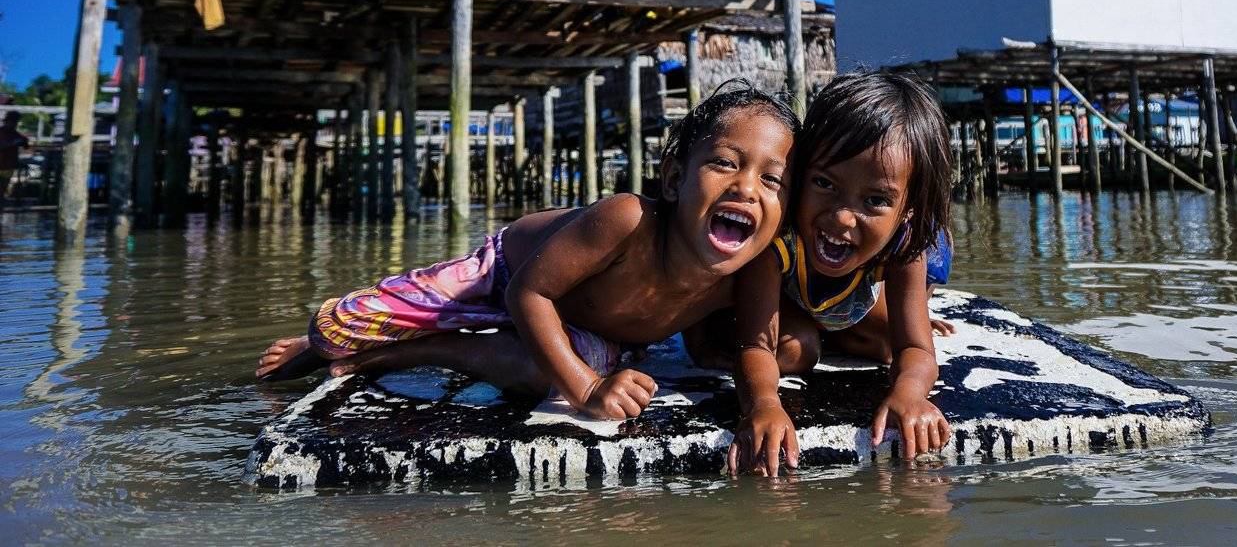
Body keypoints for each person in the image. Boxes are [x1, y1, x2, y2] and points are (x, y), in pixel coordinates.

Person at [255, 83, 797, 420]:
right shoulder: (627, 219)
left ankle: (417, 352)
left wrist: (759, 395)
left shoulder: (750, 268)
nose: (746, 188)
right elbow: (529, 293)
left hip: (578, 325)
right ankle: (329, 342)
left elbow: (746, 342)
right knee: (336, 330)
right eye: (724, 163)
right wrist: (587, 389)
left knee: (551, 372)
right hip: (503, 274)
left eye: (771, 180)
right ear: (675, 179)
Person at [728, 70, 955, 475]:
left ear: (907, 210)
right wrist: (764, 405)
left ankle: (906, 305)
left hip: (849, 301)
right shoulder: (780, 238)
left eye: (875, 200)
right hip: (785, 301)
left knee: (888, 345)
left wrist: (909, 394)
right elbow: (755, 346)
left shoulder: (904, 242)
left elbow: (917, 350)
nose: (842, 217)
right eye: (824, 183)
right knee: (797, 350)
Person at [0, 111, 30, 205]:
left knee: (2, 190)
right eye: (13, 122)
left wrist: (23, 141)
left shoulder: (15, 134)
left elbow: (25, 145)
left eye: (15, 122)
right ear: (7, 121)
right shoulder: (2, 132)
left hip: (8, 166)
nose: (14, 124)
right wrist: (12, 143)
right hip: (4, 164)